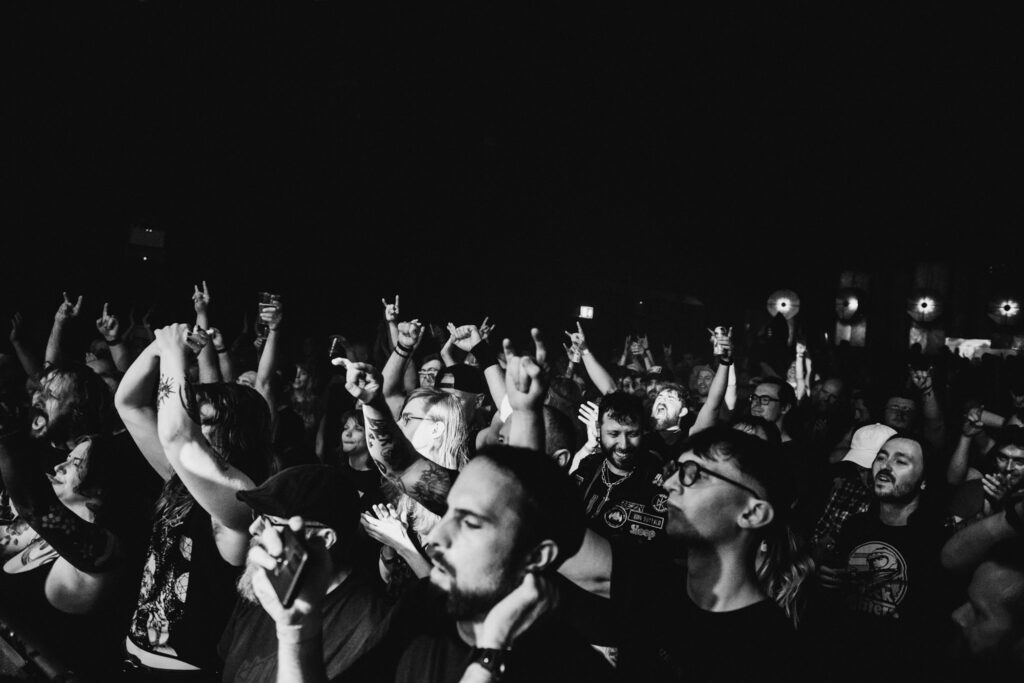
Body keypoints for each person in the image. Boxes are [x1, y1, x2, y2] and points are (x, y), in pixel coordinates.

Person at [249, 447, 615, 682]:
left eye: (470, 523)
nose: (438, 538)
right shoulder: (427, 606)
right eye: (448, 511)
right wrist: (297, 629)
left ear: (537, 556)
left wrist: (490, 659)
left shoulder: (570, 670)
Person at [558, 426, 805, 681]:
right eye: (675, 470)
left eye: (694, 475)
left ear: (752, 514)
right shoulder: (659, 584)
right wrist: (527, 412)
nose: (668, 484)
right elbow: (556, 535)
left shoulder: (770, 650)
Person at [115, 325, 274, 677]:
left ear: (236, 431)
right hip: (136, 655)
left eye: (204, 422)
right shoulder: (181, 481)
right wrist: (159, 347)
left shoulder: (243, 496)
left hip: (183, 672)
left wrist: (174, 356)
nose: (193, 428)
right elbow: (129, 403)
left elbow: (177, 435)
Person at [219, 465, 388, 683]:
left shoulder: (368, 627)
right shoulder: (261, 585)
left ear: (324, 539)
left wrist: (295, 633)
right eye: (256, 514)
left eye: (269, 519)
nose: (254, 528)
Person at [811, 433, 953, 680]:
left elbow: (934, 626)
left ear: (924, 481)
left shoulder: (936, 540)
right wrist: (826, 578)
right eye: (881, 457)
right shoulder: (855, 526)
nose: (885, 466)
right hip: (843, 662)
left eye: (901, 461)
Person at [570, 392, 668, 545]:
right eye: (614, 434)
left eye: (632, 434)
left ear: (643, 431)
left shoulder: (660, 478)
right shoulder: (587, 468)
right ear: (599, 430)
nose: (624, 445)